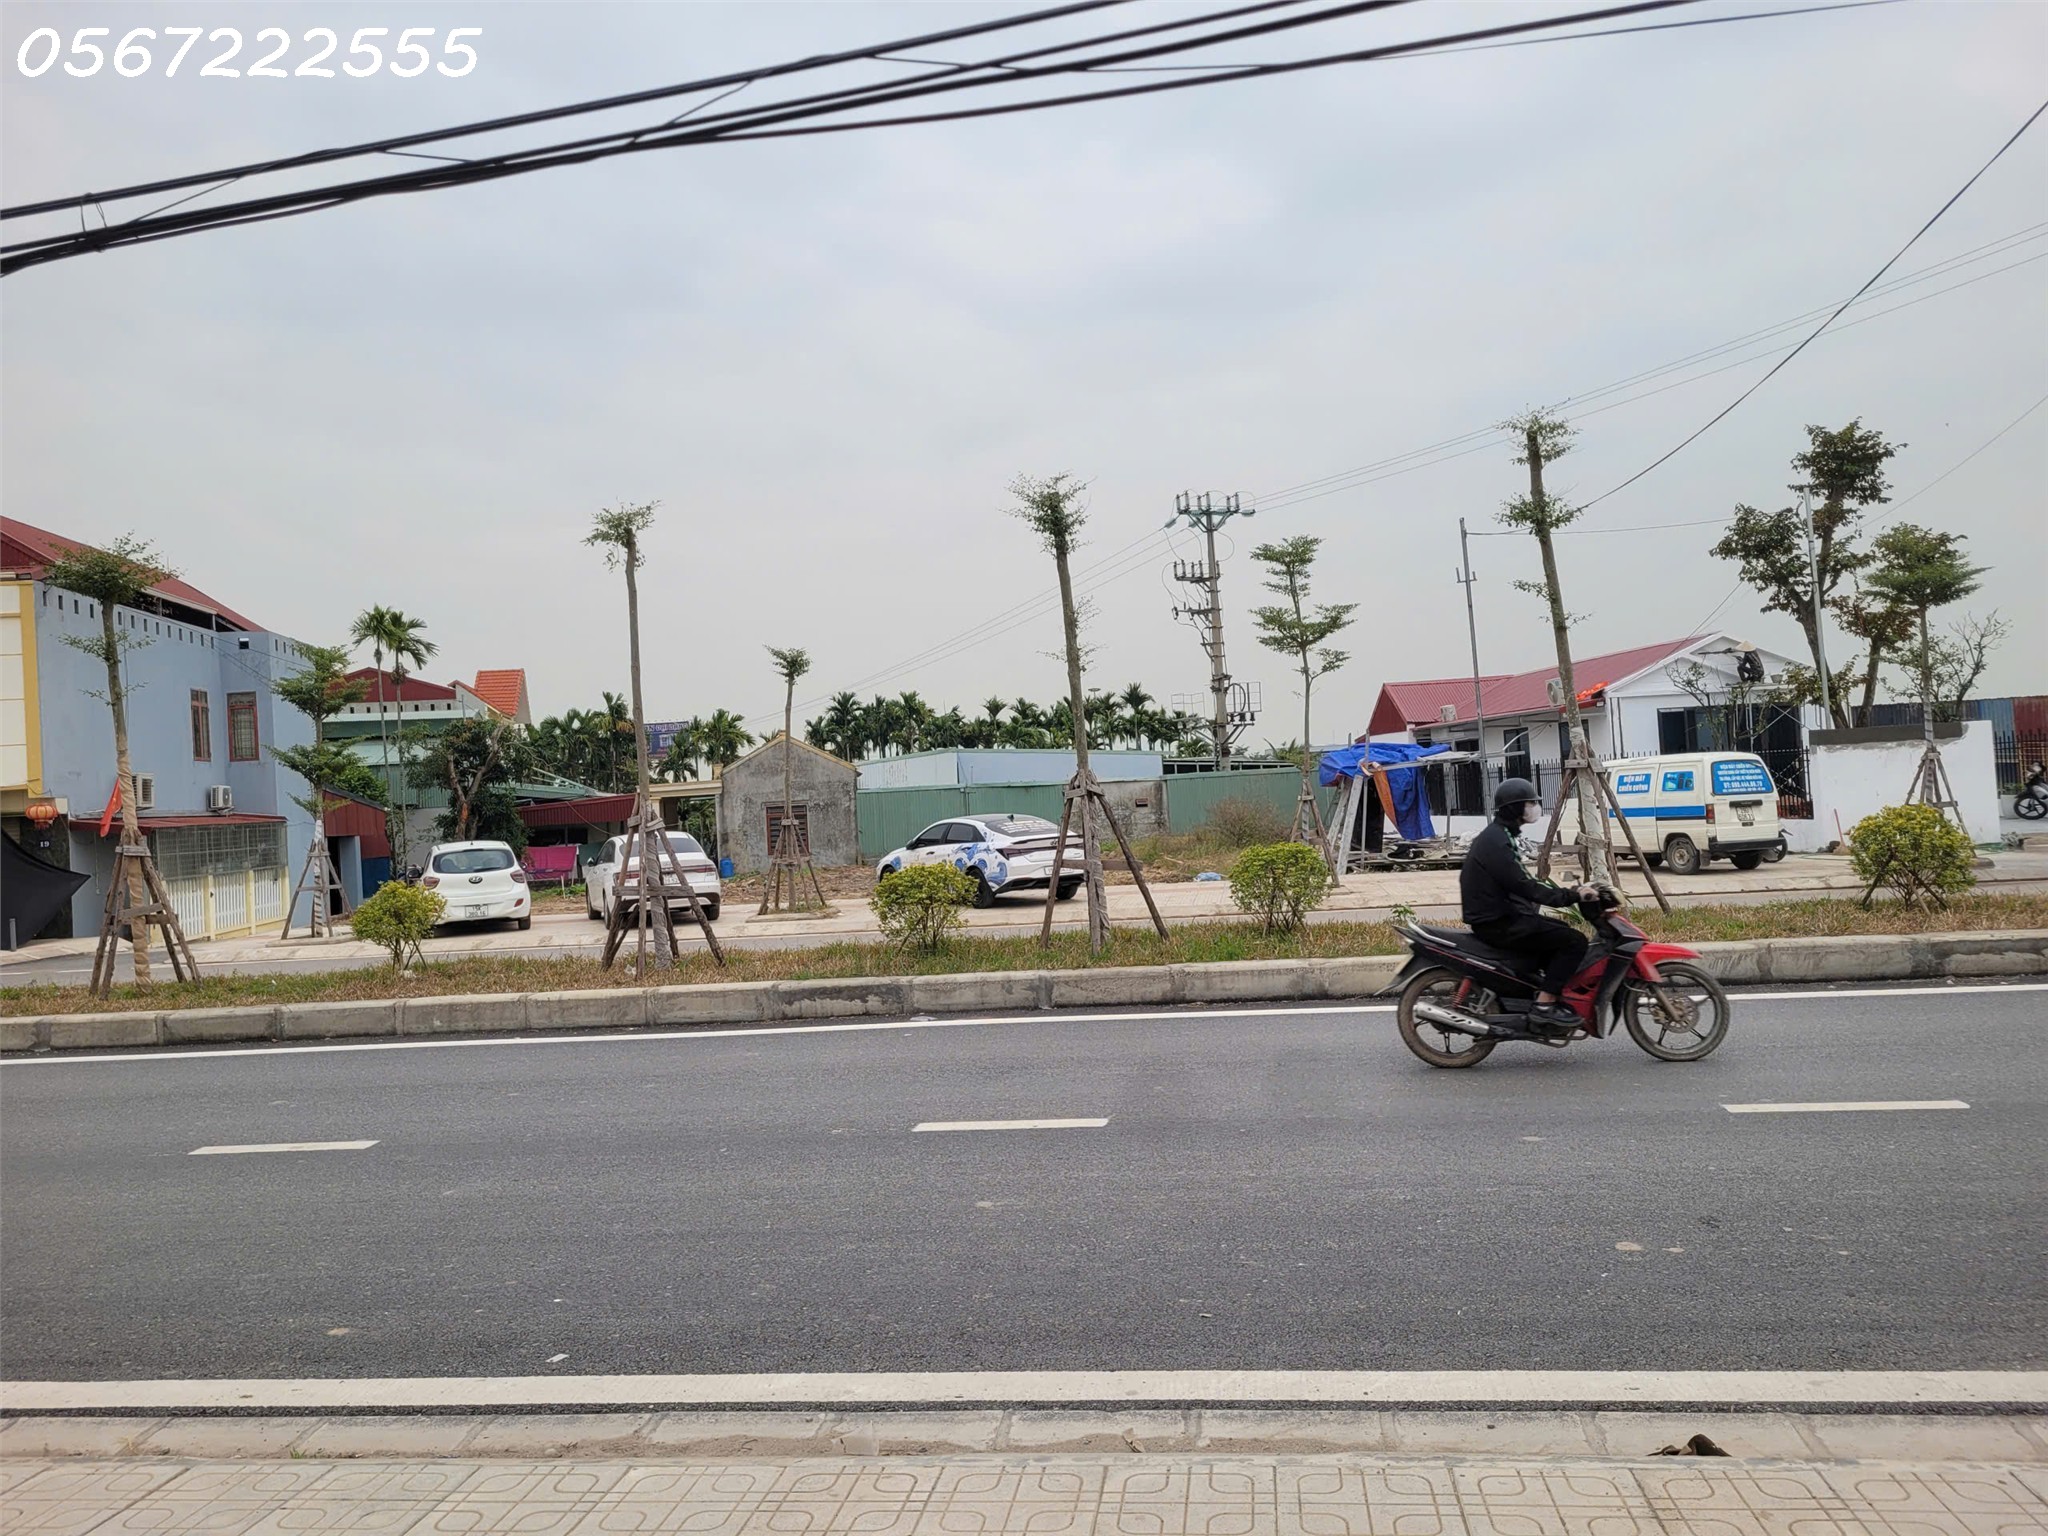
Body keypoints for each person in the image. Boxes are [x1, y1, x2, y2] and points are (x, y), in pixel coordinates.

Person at [1460, 777, 1597, 1031]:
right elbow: (1524, 885)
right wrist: (1571, 896)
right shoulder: (1497, 842)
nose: (1535, 808)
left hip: (1502, 916)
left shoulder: (1501, 836)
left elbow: (1522, 883)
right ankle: (1544, 1006)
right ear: (1515, 808)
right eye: (1529, 803)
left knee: (1557, 932)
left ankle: (1542, 992)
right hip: (1499, 922)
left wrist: (1568, 893)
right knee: (1574, 941)